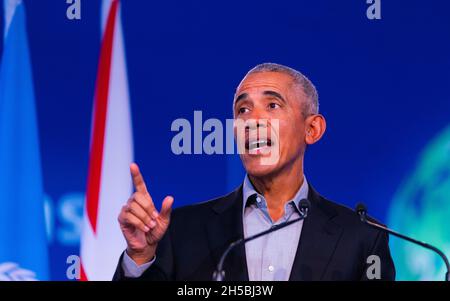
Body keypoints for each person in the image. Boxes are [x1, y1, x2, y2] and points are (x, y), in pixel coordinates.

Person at [113, 63, 395, 281]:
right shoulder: (180, 231)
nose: (253, 121)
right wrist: (140, 255)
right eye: (243, 110)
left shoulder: (363, 237)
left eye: (272, 105)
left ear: (312, 129)